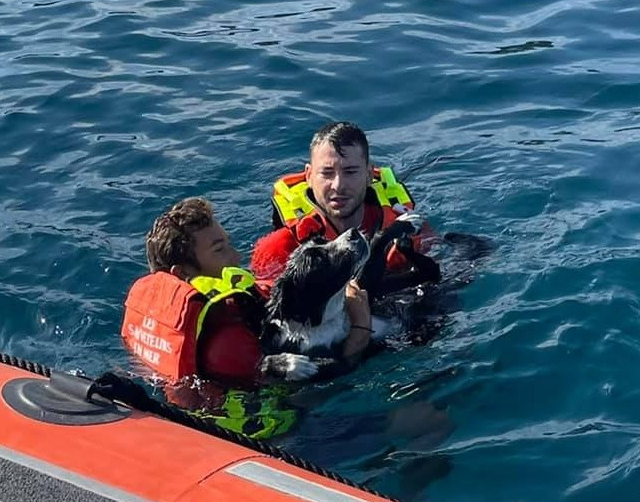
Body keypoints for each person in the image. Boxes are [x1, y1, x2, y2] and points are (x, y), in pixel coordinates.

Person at [121, 197, 372, 388]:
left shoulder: (168, 321)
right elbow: (323, 386)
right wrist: (361, 327)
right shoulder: (227, 346)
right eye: (220, 250)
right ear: (184, 274)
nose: (236, 257)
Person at [250, 121, 441, 295]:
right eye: (327, 173)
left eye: (350, 172)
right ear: (309, 176)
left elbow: (445, 277)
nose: (338, 185)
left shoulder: (404, 228)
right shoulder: (279, 248)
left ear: (368, 174)